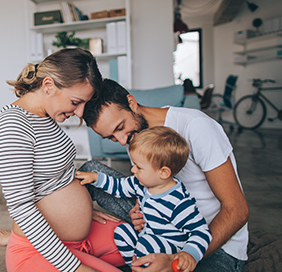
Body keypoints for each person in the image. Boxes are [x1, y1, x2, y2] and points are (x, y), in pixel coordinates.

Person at [80, 79, 249, 272]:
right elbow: (149, 184)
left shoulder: (196, 126)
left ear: (132, 103)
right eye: (110, 137)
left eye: (119, 127)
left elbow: (237, 210)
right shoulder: (134, 135)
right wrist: (139, 207)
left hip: (211, 240)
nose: (121, 140)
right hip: (161, 227)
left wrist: (177, 260)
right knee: (91, 171)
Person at [0, 48, 126, 272]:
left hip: (78, 236)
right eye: (75, 102)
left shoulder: (44, 115)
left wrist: (79, 212)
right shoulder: (12, 127)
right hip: (38, 249)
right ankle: (18, 247)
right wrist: (75, 268)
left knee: (147, 247)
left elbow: (52, 180)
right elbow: (21, 206)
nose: (81, 112)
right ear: (49, 86)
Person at [76, 126, 212, 272]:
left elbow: (201, 231)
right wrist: (95, 178)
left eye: (138, 167)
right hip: (147, 235)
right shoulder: (143, 183)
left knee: (147, 243)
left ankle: (143, 265)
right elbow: (119, 186)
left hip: (168, 247)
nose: (132, 170)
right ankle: (136, 266)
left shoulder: (178, 202)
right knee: (122, 232)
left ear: (164, 172)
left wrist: (189, 254)